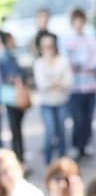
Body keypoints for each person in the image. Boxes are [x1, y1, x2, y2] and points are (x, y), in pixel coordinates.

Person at [60, 8, 96, 160]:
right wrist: (82, 64)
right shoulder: (66, 40)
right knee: (77, 118)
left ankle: (86, 144)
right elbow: (66, 61)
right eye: (76, 21)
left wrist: (83, 64)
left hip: (90, 86)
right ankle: (76, 145)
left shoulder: (91, 39)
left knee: (88, 118)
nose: (78, 24)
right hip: (74, 88)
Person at [33, 34, 73, 165]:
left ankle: (63, 161)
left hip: (61, 101)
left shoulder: (63, 61)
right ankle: (48, 161)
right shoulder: (39, 63)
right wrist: (57, 81)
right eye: (44, 47)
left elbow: (68, 82)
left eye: (50, 46)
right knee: (49, 132)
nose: (48, 49)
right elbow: (41, 84)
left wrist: (53, 82)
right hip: (46, 103)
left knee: (62, 131)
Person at [0, 32, 29, 165]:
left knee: (15, 129)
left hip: (12, 96)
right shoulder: (6, 56)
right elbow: (13, 76)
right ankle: (18, 159)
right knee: (15, 129)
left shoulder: (8, 55)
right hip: (13, 96)